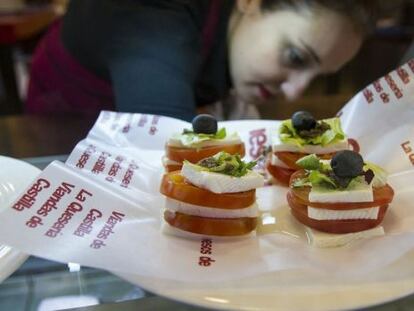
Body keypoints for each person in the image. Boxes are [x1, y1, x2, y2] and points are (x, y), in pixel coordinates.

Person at [26, 0, 381, 121]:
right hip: (66, 127)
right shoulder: (156, 20)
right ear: (251, 3)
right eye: (295, 57)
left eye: (318, 76)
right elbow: (171, 158)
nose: (294, 92)